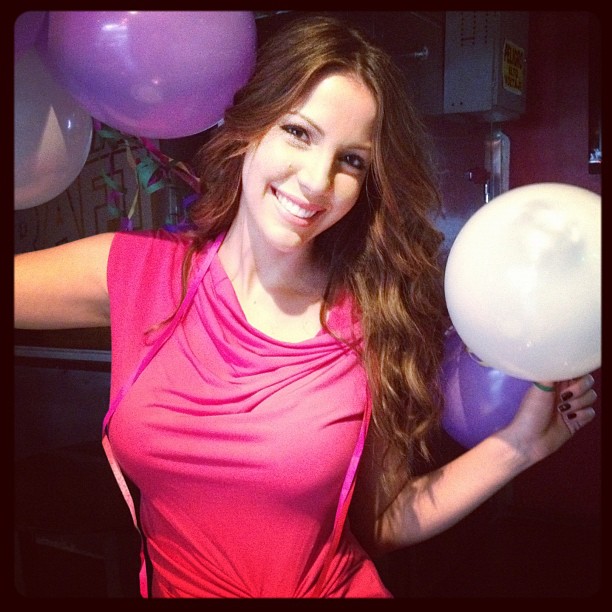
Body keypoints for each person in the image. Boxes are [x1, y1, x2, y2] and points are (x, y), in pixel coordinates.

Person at [14, 14, 597, 599]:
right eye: (298, 132)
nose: (318, 181)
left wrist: (518, 445)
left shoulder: (375, 319)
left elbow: (379, 523)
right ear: (250, 127)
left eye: (352, 160)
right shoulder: (138, 271)